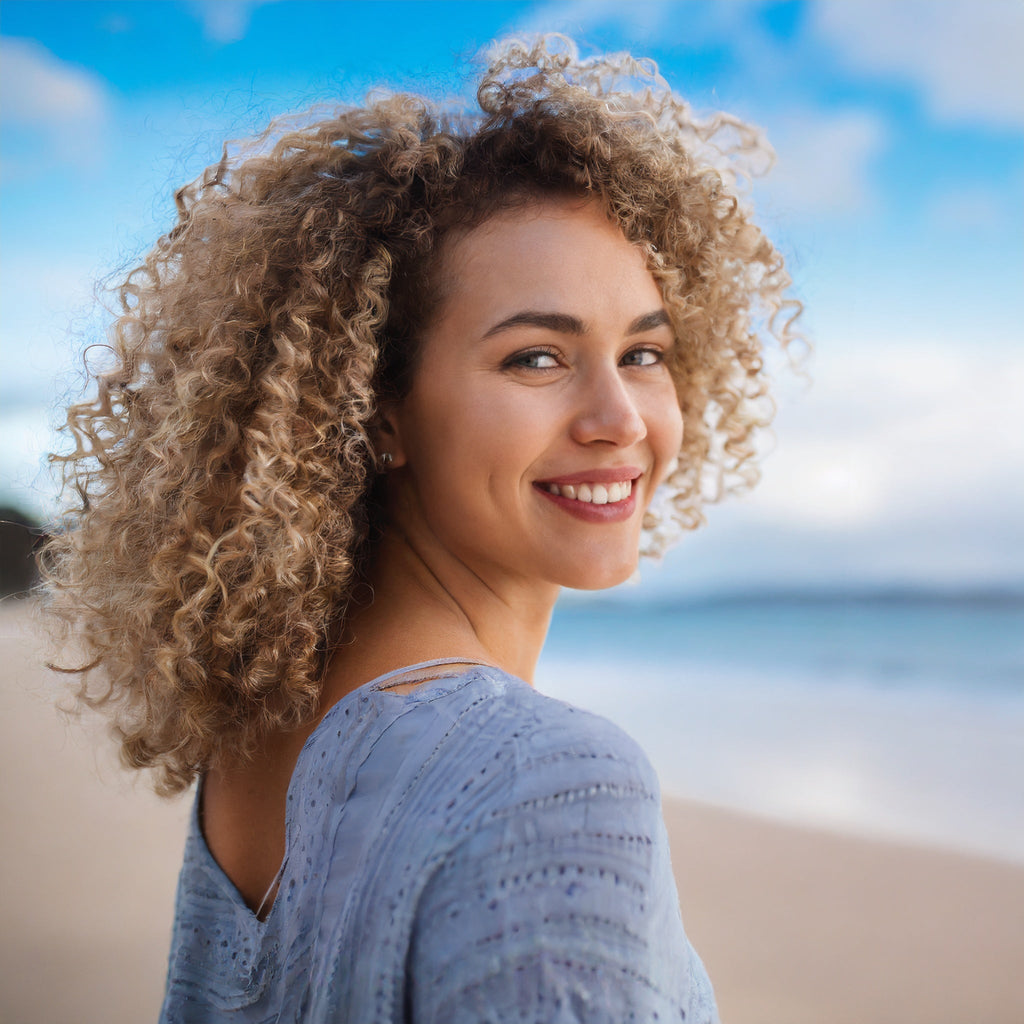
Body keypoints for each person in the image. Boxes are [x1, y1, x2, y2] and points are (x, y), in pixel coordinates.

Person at [42, 36, 798, 1023]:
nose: (619, 416)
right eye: (535, 357)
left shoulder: (266, 738)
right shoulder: (546, 781)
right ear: (377, 409)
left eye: (644, 350)